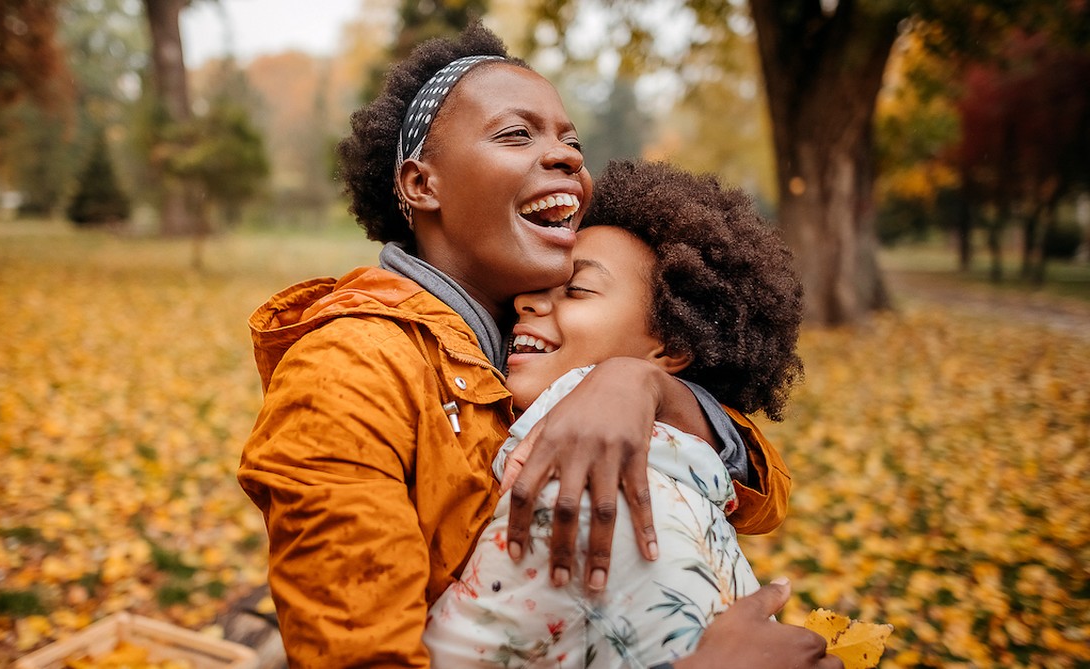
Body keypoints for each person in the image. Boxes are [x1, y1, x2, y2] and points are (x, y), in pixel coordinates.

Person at [238, 23, 830, 668]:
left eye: (571, 141)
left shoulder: (528, 338)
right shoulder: (349, 370)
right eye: (516, 134)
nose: (570, 158)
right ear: (421, 185)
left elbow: (759, 494)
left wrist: (643, 384)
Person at [423, 160, 807, 668]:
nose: (527, 303)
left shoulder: (585, 504)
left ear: (669, 346)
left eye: (577, 289)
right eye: (537, 285)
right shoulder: (677, 467)